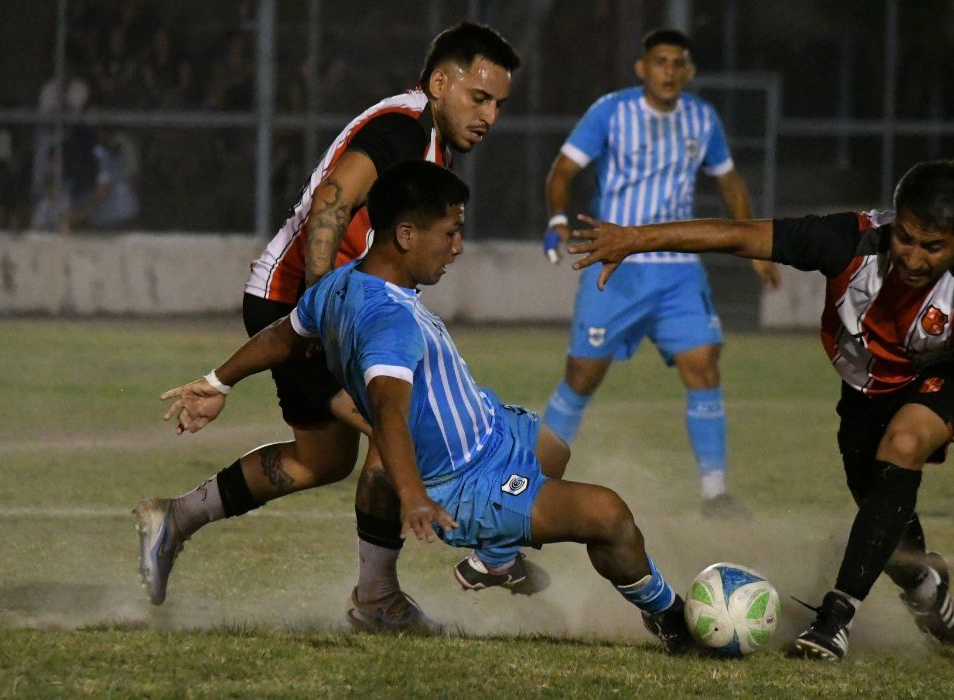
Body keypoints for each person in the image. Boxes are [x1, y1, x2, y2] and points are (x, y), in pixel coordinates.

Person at [160, 161, 696, 653]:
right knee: (608, 515)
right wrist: (415, 497)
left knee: (553, 445)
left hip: (494, 432)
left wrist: (218, 380)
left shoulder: (343, 284)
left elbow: (284, 334)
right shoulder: (386, 321)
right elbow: (387, 412)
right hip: (466, 485)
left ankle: (498, 558)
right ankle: (669, 615)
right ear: (407, 234)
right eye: (451, 232)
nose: (459, 246)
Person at [567, 159, 954, 660]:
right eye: (907, 238)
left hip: (948, 376)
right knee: (875, 496)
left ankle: (834, 620)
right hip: (865, 385)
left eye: (933, 247)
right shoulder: (848, 241)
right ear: (895, 221)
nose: (914, 258)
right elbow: (738, 235)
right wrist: (635, 239)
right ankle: (923, 579)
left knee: (903, 444)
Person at [133, 21, 525, 630]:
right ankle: (381, 598)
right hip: (295, 303)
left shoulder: (427, 137)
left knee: (322, 460)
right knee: (397, 428)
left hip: (315, 308)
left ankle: (174, 520)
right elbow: (333, 201)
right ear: (440, 81)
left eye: (499, 103)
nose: (490, 115)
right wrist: (323, 308)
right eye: (480, 97)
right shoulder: (404, 128)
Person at [539, 28, 779, 517]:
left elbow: (729, 181)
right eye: (660, 62)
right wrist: (557, 219)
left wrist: (755, 246)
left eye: (678, 64)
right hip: (617, 265)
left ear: (688, 72)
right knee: (581, 376)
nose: (669, 72)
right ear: (642, 68)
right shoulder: (611, 111)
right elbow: (562, 171)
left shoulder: (702, 118)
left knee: (704, 366)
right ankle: (533, 479)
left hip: (678, 270)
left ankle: (715, 494)